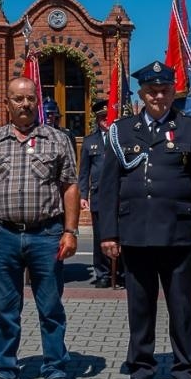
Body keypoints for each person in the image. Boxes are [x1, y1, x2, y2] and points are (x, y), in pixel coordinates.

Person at [96, 61, 191, 379]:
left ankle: (187, 370)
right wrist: (108, 233)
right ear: (142, 94)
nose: (158, 96)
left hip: (178, 233)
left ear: (173, 92)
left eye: (164, 90)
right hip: (135, 233)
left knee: (181, 306)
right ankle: (141, 368)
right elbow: (108, 187)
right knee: (140, 306)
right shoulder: (121, 131)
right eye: (152, 91)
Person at [0, 78, 81, 379]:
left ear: (37, 102)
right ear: (7, 103)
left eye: (30, 98)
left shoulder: (57, 140)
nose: (25, 104)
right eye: (17, 99)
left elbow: (70, 187)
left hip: (46, 234)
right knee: (6, 307)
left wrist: (70, 232)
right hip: (3, 235)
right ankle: (6, 368)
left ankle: (55, 367)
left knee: (50, 306)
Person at [78, 97, 121, 288]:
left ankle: (122, 272)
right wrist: (82, 195)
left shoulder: (122, 138)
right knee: (101, 237)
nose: (105, 120)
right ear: (97, 119)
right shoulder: (89, 142)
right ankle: (102, 273)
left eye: (108, 116)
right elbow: (84, 172)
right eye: (102, 117)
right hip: (99, 196)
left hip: (120, 196)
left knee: (122, 236)